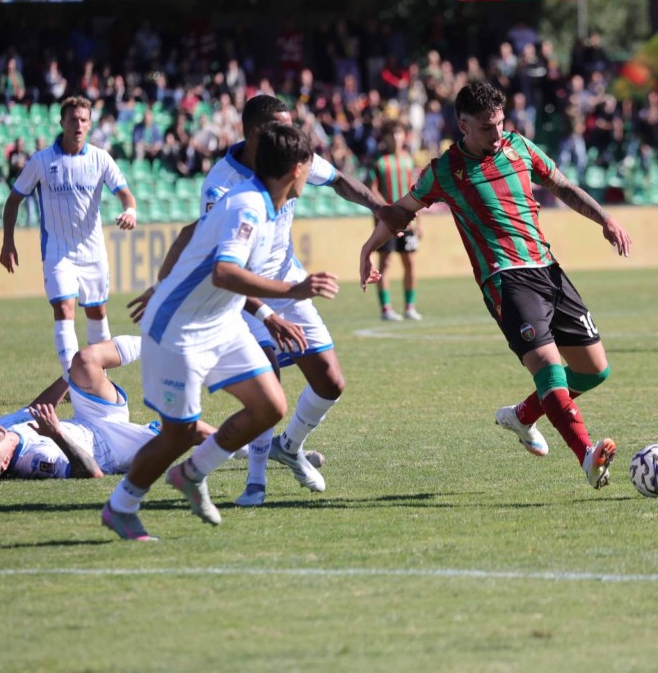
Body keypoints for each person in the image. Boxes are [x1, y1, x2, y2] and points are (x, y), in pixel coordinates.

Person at [126, 95, 398, 510]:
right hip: (245, 292)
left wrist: (383, 210)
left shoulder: (293, 158)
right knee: (268, 376)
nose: (293, 135)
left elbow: (340, 180)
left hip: (287, 278)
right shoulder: (224, 185)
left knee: (330, 382)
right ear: (256, 133)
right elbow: (214, 256)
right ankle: (254, 482)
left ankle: (288, 447)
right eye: (282, 127)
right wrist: (264, 312)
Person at [360, 81, 632, 490]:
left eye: (501, 123)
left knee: (594, 371)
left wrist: (604, 219)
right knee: (548, 366)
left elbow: (561, 185)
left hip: (548, 269)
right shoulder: (444, 171)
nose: (497, 133)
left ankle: (522, 416)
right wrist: (368, 248)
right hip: (505, 278)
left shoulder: (518, 147)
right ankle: (587, 456)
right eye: (487, 127)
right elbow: (401, 211)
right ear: (463, 126)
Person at [102, 123, 336, 541]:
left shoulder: (262, 202)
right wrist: (292, 291)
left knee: (269, 405)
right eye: (309, 164)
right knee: (178, 435)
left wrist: (265, 314)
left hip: (222, 322)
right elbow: (225, 272)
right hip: (179, 329)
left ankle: (192, 474)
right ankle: (121, 506)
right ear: (296, 169)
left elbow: (190, 234)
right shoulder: (248, 208)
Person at [0, 95, 137, 378]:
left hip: (93, 252)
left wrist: (130, 211)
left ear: (90, 124)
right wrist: (8, 241)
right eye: (73, 119)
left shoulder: (100, 158)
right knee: (64, 308)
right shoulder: (41, 161)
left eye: (84, 120)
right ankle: (74, 379)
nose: (79, 125)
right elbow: (13, 201)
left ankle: (97, 379)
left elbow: (126, 195)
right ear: (62, 122)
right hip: (58, 252)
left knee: (97, 313)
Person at [0, 336, 213, 482]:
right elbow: (92, 472)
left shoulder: (1, 425)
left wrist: (69, 376)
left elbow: (35, 410)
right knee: (191, 430)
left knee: (83, 361)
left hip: (90, 416)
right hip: (112, 447)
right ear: (5, 463)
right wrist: (57, 435)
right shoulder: (37, 460)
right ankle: (238, 444)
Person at [369, 119, 422, 322]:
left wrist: (420, 222)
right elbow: (372, 189)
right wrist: (386, 210)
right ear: (385, 137)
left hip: (408, 220)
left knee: (410, 262)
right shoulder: (379, 161)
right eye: (391, 134)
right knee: (385, 262)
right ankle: (386, 309)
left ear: (404, 136)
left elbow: (416, 191)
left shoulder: (408, 160)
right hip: (386, 222)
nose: (395, 137)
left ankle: (410, 307)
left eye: (398, 133)